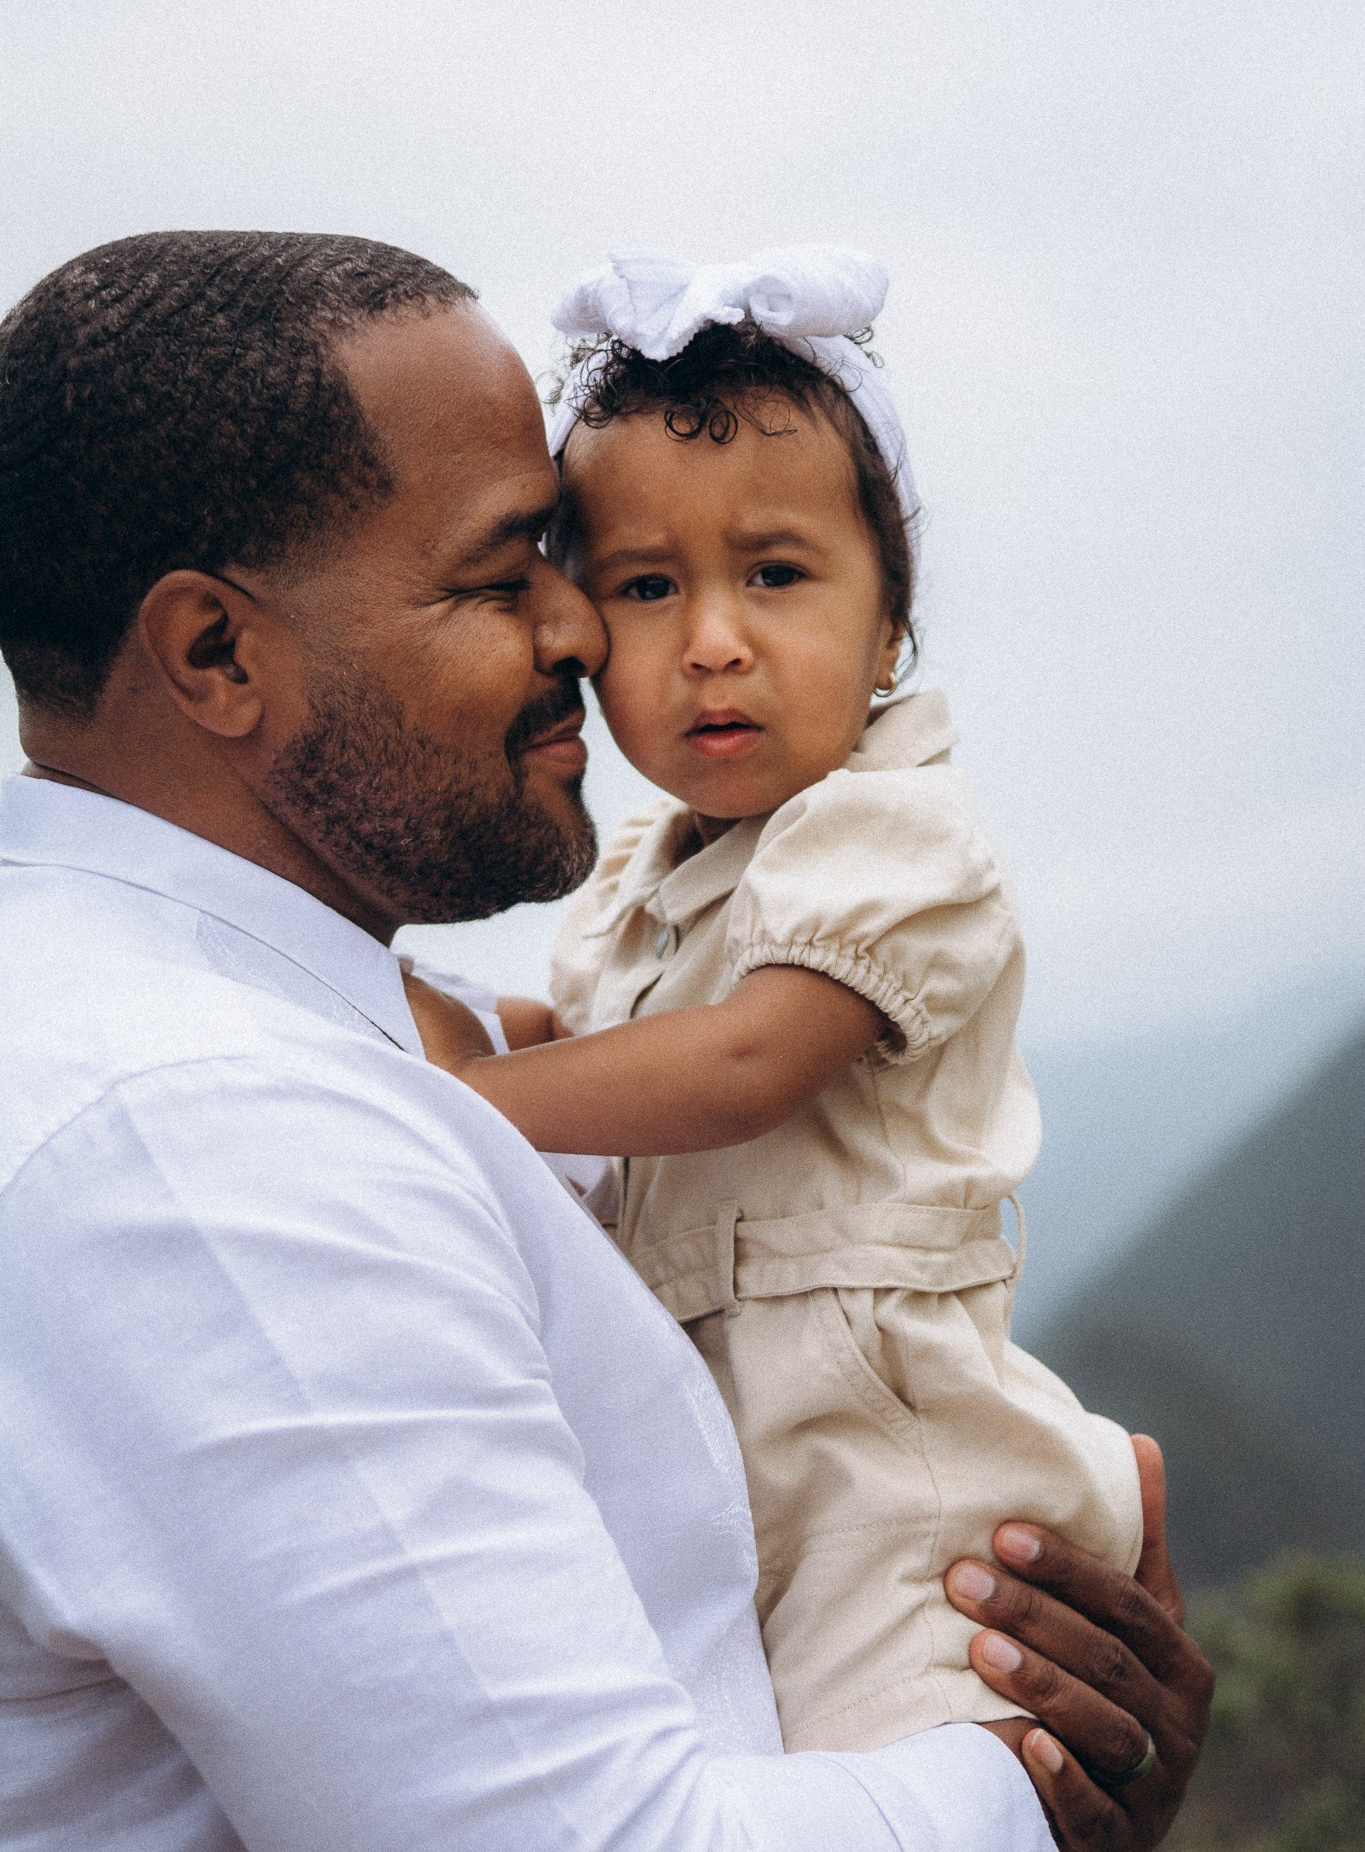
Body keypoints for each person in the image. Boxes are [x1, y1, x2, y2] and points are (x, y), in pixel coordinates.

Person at [0, 230, 1212, 1850]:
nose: (583, 630)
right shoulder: (209, 1141)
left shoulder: (210, 1031)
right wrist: (1032, 1792)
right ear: (219, 654)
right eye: (507, 575)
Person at [396, 248, 1144, 1756]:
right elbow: (597, 1045)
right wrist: (408, 1002)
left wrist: (450, 1097)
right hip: (738, 1461)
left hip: (896, 1470)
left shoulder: (893, 832)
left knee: (903, 1774)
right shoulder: (646, 872)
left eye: (777, 575)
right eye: (647, 588)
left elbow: (742, 1062)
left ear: (888, 625)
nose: (713, 640)